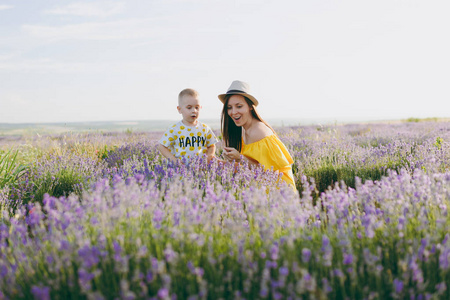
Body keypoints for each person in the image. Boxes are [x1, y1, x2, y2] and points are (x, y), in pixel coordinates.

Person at [218, 80, 296, 189]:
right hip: (259, 189)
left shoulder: (260, 132)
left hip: (279, 191)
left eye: (239, 106)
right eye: (229, 107)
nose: (233, 112)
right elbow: (249, 168)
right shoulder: (241, 130)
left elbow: (271, 173)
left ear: (250, 106)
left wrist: (240, 158)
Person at [158, 88, 218, 163]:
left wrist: (210, 155)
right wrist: (174, 160)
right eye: (189, 107)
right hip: (179, 170)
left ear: (201, 108)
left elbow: (211, 145)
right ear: (179, 109)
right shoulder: (174, 129)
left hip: (200, 170)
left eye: (197, 107)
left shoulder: (204, 128)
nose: (194, 111)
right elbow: (162, 146)